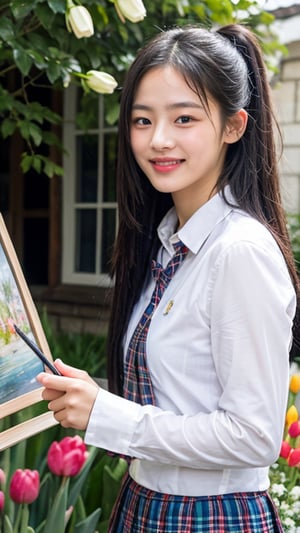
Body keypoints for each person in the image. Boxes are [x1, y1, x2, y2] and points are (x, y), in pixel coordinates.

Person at [37, 23, 299, 532]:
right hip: (147, 503)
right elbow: (181, 398)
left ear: (234, 126)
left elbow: (255, 436)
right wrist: (94, 397)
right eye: (142, 120)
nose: (158, 140)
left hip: (210, 517)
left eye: (184, 118)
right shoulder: (168, 244)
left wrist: (109, 417)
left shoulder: (238, 252)